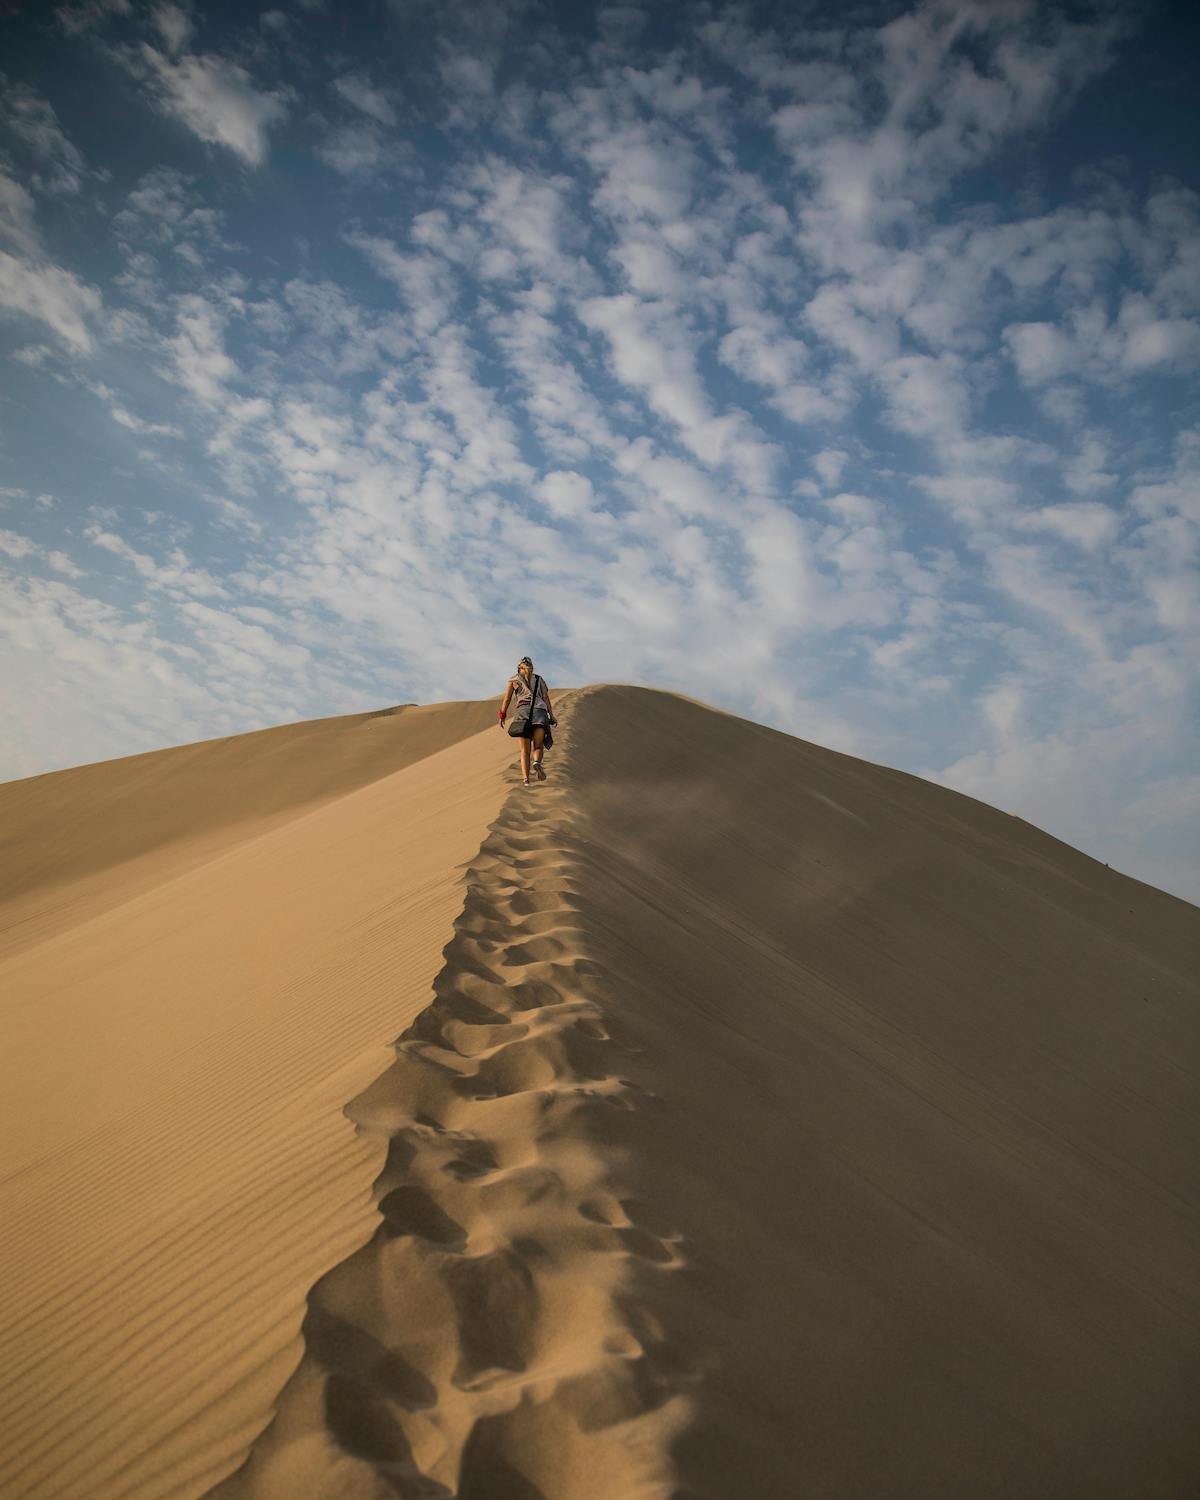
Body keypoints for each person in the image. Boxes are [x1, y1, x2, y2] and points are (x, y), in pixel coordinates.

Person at [498, 656, 558, 786]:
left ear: (519, 668)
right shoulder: (539, 679)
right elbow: (546, 697)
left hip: (522, 714)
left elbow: (507, 699)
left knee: (525, 751)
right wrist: (551, 716)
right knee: (538, 746)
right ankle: (537, 762)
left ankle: (526, 780)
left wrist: (502, 715)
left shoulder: (514, 680)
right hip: (540, 713)